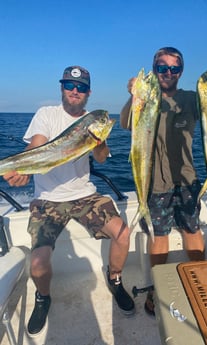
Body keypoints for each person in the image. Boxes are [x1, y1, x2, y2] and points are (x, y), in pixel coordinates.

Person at [4, 65, 135, 337]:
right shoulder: (46, 114)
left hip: (85, 195)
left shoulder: (91, 121)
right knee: (38, 264)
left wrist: (98, 140)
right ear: (62, 87)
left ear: (88, 92)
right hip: (47, 201)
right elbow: (36, 146)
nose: (75, 91)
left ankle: (115, 279)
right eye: (70, 85)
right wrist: (22, 169)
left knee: (123, 233)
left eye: (81, 88)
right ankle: (43, 297)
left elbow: (100, 158)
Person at [120, 47, 205, 317]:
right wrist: (132, 96)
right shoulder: (145, 99)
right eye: (162, 67)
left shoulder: (193, 99)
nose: (168, 73)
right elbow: (125, 124)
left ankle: (198, 281)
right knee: (160, 236)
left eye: (173, 68)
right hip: (155, 183)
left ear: (181, 72)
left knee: (193, 231)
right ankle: (157, 289)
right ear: (154, 69)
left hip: (187, 179)